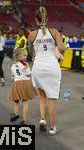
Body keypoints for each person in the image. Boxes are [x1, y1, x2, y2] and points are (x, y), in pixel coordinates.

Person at [28, 6, 65, 135]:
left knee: (42, 96)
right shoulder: (54, 32)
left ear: (35, 20)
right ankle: (53, 127)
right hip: (52, 68)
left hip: (38, 68)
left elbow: (30, 52)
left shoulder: (32, 34)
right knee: (52, 99)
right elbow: (62, 48)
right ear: (47, 19)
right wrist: (56, 49)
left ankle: (43, 119)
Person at [8, 48, 37, 124]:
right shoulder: (25, 64)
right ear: (18, 57)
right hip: (25, 83)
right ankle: (24, 119)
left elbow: (12, 76)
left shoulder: (13, 66)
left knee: (16, 100)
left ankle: (15, 114)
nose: (26, 56)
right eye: (24, 55)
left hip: (16, 83)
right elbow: (28, 74)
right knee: (25, 102)